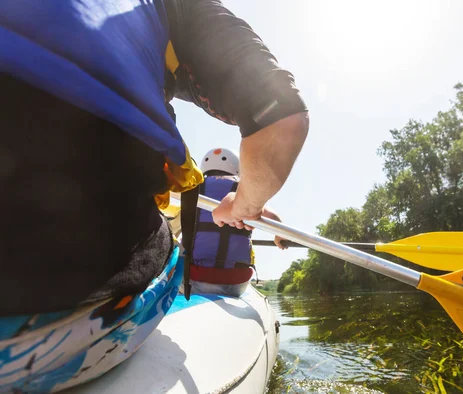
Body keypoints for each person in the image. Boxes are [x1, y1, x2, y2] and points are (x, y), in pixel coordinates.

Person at [0, 0, 308, 391]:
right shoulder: (178, 9)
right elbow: (283, 120)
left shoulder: (195, 190)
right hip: (72, 304)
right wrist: (248, 210)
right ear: (232, 169)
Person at [180, 148, 287, 298]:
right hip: (237, 281)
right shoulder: (244, 192)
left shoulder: (190, 190)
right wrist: (278, 237)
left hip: (196, 278)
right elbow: (274, 218)